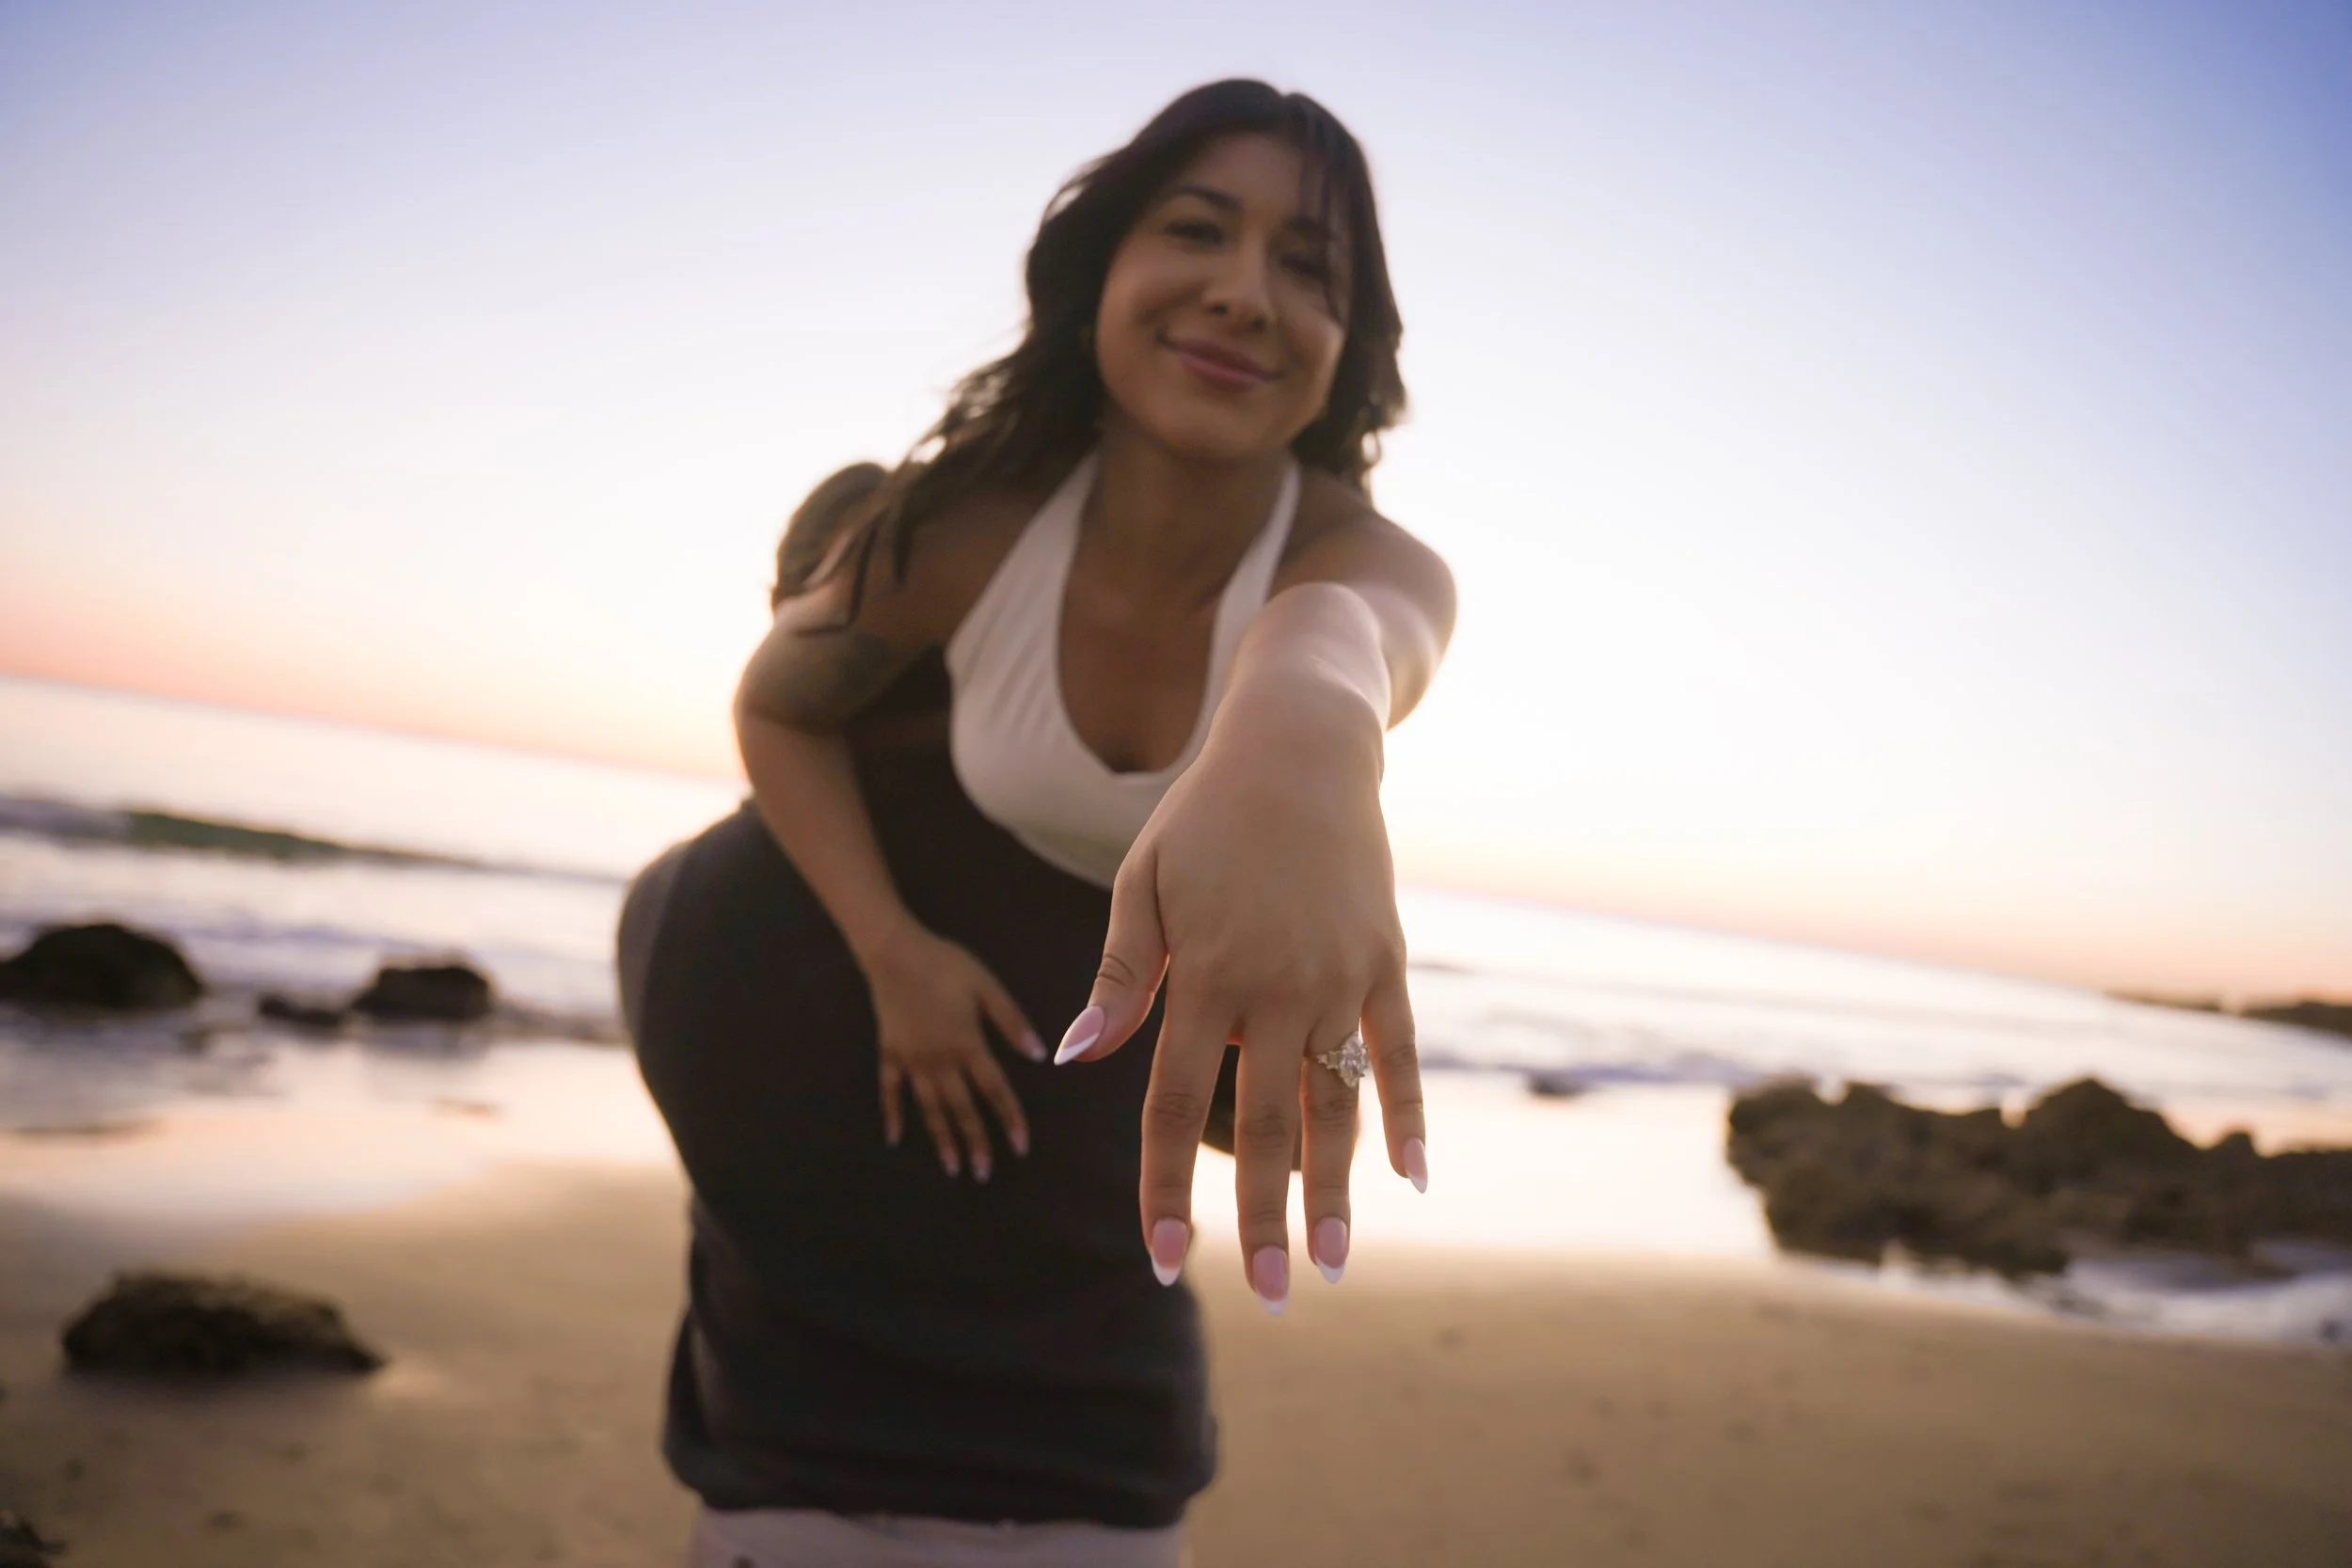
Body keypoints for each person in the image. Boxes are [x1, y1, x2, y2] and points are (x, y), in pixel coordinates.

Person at [621, 78, 1454, 1567]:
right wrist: (892, 951)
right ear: (1102, 276)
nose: (1245, 294)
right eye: (1198, 230)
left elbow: (1358, 636)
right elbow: (779, 709)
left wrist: (1310, 717)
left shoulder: (1352, 561)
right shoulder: (969, 521)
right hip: (791, 1352)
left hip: (1067, 1358)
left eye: (1308, 269)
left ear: (1347, 347)